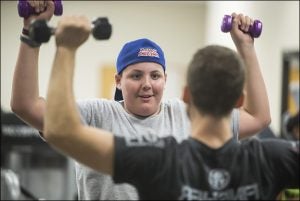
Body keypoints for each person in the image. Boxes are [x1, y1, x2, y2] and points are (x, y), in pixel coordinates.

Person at [10, 1, 270, 199]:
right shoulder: (97, 114)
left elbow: (258, 117)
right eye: (136, 75)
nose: (147, 84)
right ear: (118, 81)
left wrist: (246, 47)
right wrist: (31, 32)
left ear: (165, 80)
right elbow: (26, 105)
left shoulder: (187, 114)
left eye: (155, 75)